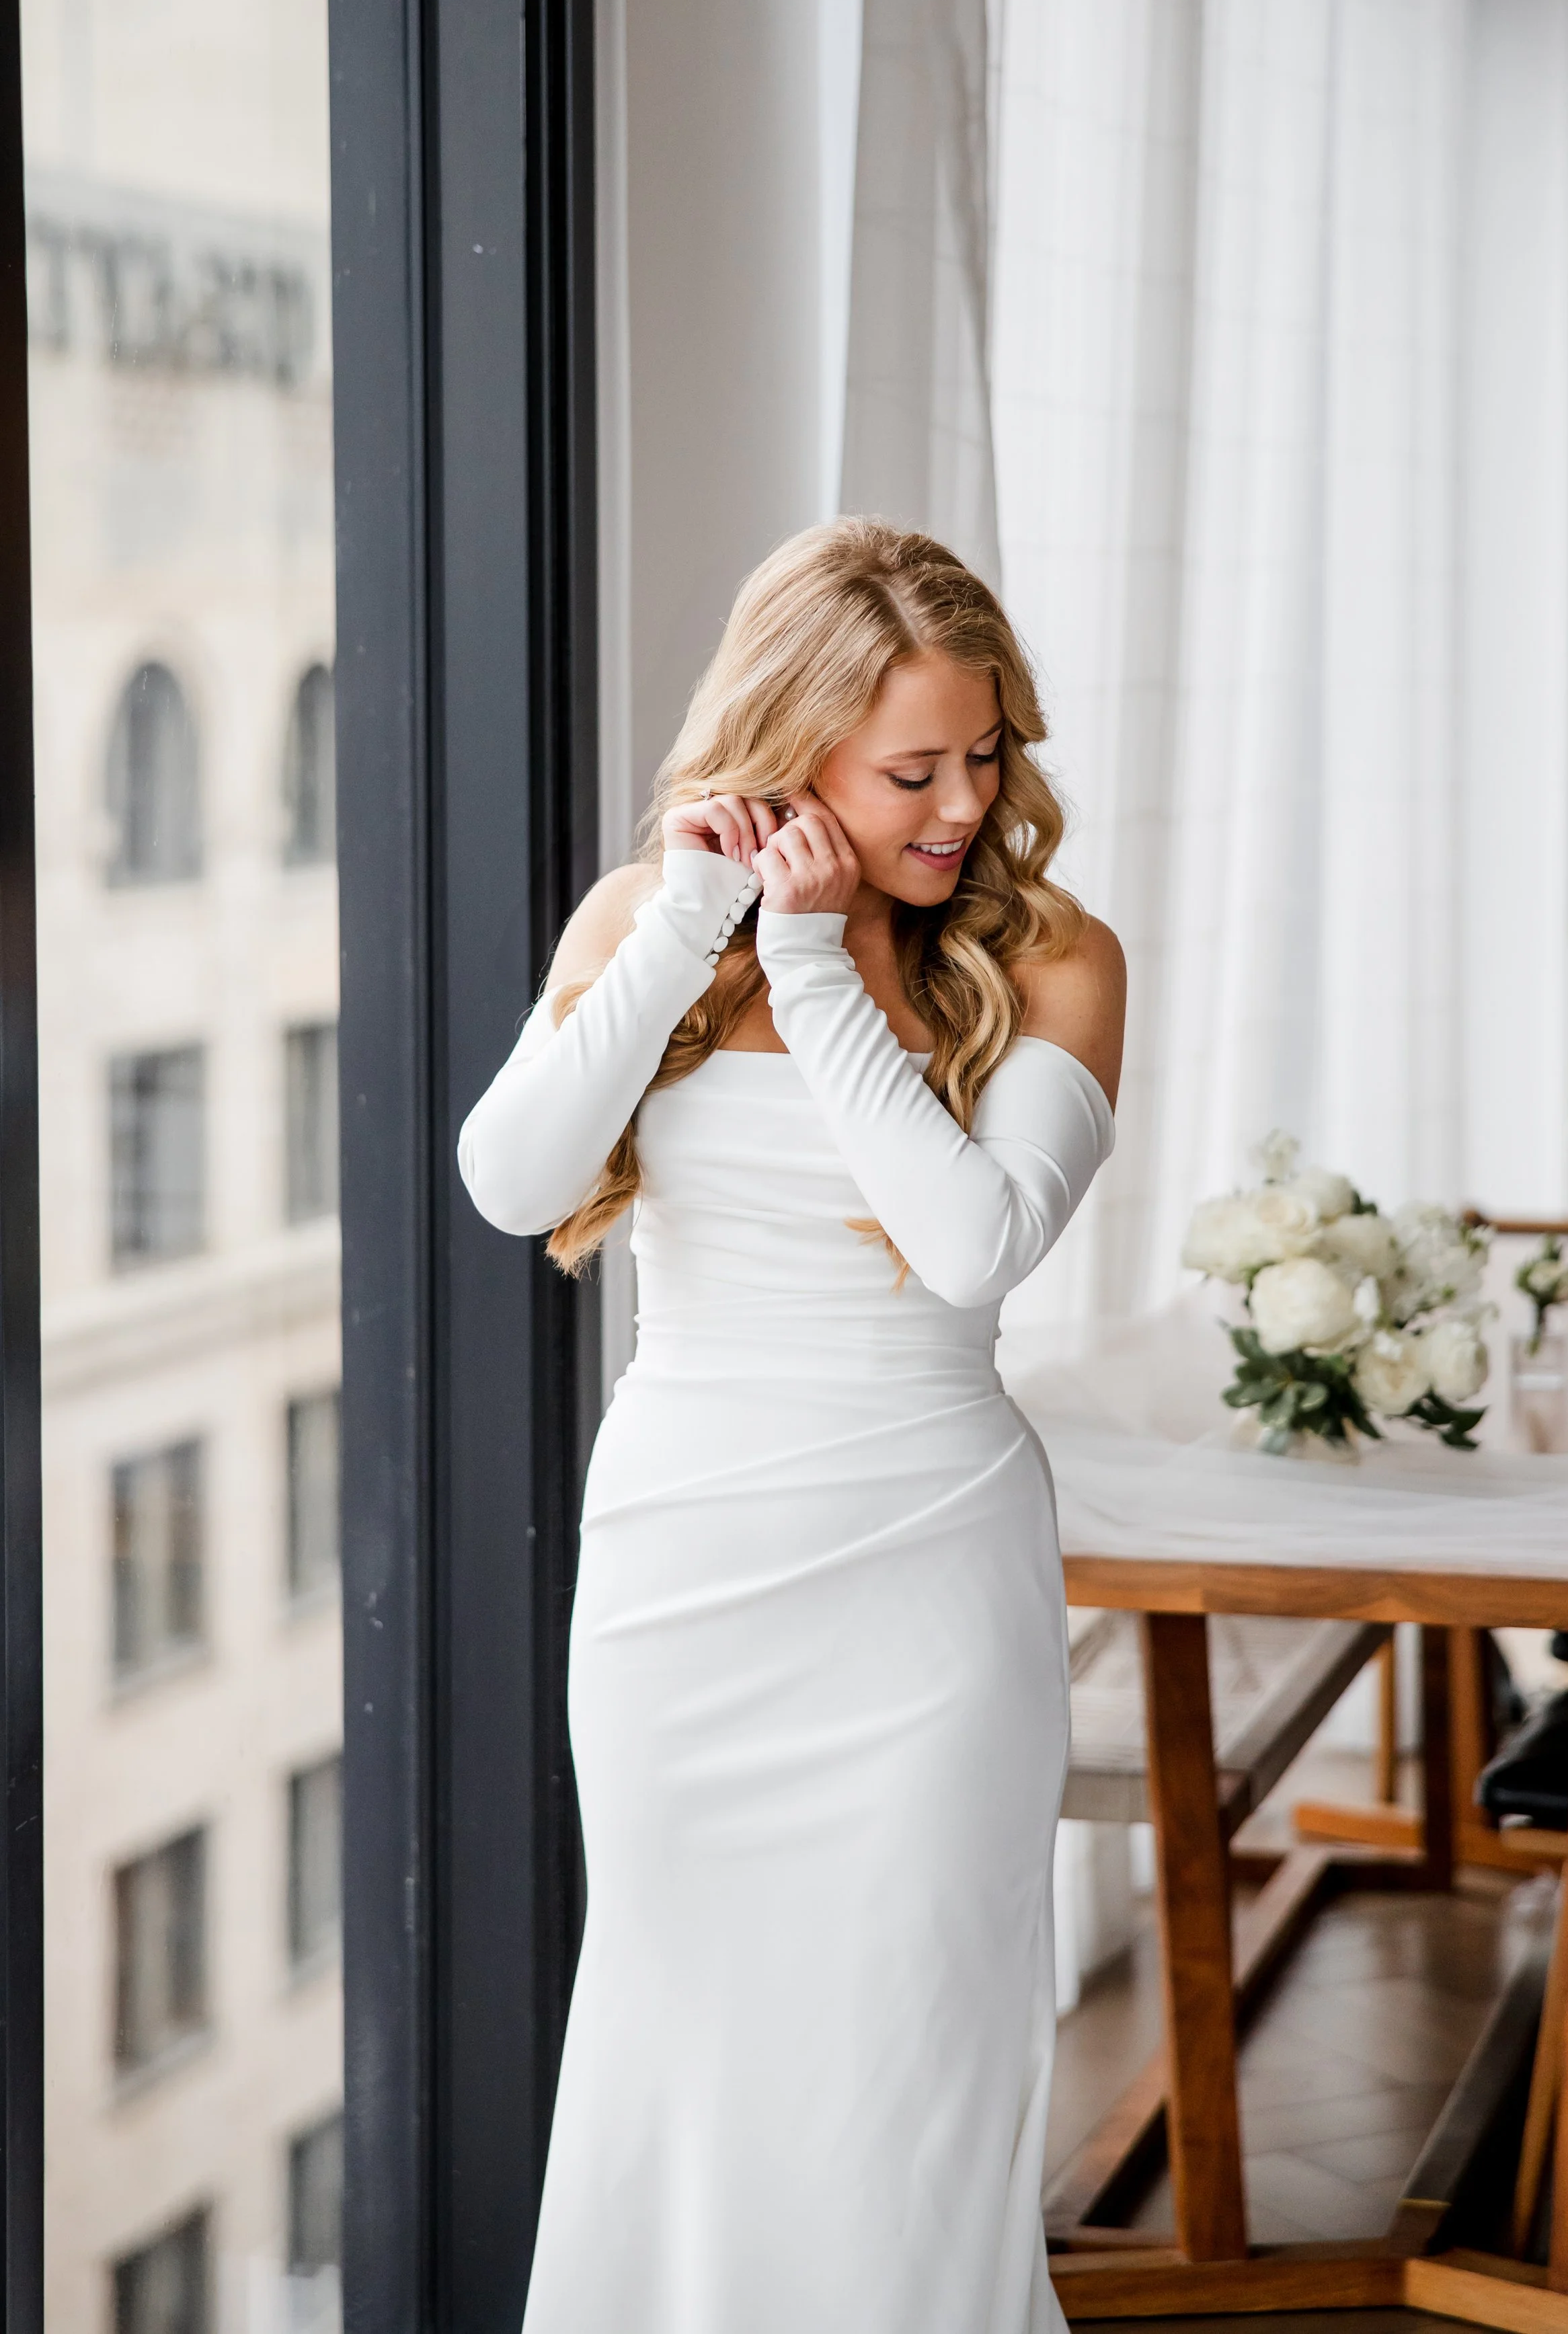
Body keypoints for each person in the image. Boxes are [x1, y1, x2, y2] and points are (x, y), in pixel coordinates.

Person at [459, 518, 1127, 2334]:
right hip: (690, 1565)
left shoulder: (1055, 956)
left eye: (986, 752)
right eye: (912, 765)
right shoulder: (640, 915)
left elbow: (973, 1246)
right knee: (683, 2027)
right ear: (791, 747)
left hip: (925, 1573)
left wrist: (818, 968)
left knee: (906, 2045)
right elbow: (512, 1181)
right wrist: (692, 923)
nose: (964, 801)